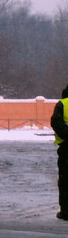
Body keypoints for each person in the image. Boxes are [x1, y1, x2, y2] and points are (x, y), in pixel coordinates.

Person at [50, 86, 68, 220]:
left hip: (66, 148)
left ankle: (66, 211)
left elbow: (56, 123)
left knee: (65, 180)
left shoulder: (63, 104)